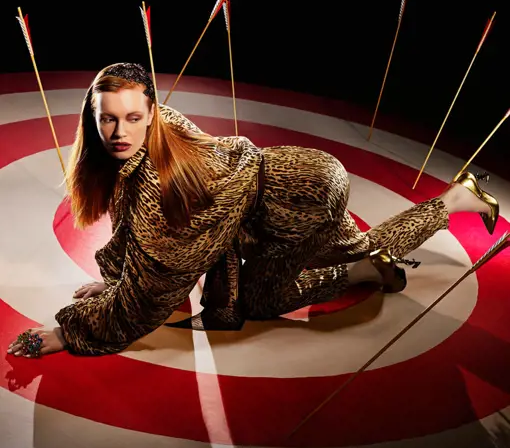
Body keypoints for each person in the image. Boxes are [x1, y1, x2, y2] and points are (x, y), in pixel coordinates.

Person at [7, 63, 499, 358]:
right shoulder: (151, 138)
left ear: (152, 113)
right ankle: (456, 199)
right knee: (350, 247)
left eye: (133, 118)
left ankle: (373, 264)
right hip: (292, 178)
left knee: (262, 301)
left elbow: (153, 293)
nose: (119, 132)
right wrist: (119, 276)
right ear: (91, 119)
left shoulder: (163, 179)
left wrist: (65, 332)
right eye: (107, 119)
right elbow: (141, 234)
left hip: (298, 200)